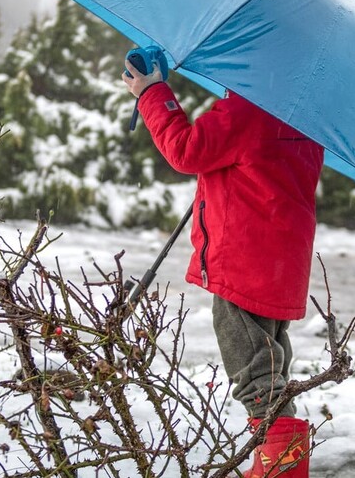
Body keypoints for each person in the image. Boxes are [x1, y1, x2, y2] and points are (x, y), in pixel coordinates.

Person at [124, 57, 324, 478]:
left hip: (244, 264)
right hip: (280, 266)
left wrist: (151, 93)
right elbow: (257, 172)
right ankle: (277, 463)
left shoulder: (250, 108)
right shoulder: (306, 117)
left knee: (254, 370)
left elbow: (186, 150)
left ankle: (282, 472)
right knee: (270, 364)